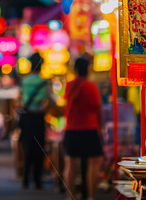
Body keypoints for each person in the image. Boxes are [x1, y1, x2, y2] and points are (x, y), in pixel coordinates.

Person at [64, 57, 102, 200]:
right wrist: (100, 128)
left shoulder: (69, 85)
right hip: (89, 128)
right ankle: (91, 197)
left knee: (70, 163)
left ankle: (70, 196)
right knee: (93, 163)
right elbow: (97, 109)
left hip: (71, 129)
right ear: (88, 69)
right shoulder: (91, 86)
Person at [18, 52, 50, 189]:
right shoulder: (44, 82)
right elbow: (47, 102)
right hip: (38, 118)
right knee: (39, 148)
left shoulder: (24, 81)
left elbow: (18, 99)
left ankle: (25, 178)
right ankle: (37, 180)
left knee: (27, 147)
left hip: (26, 117)